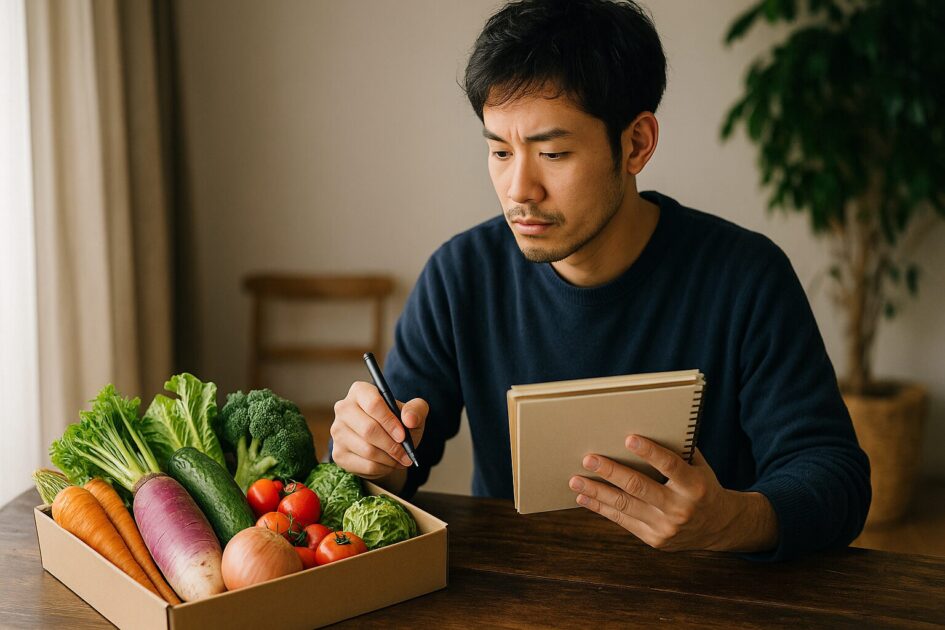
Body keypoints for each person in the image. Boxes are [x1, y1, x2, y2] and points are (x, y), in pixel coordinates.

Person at [330, 0, 871, 561]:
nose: (519, 189)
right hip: (518, 585)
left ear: (636, 144)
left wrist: (730, 521)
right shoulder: (460, 275)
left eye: (553, 152)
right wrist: (371, 458)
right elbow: (397, 465)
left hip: (706, 588)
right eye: (499, 151)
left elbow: (835, 478)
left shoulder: (745, 277)